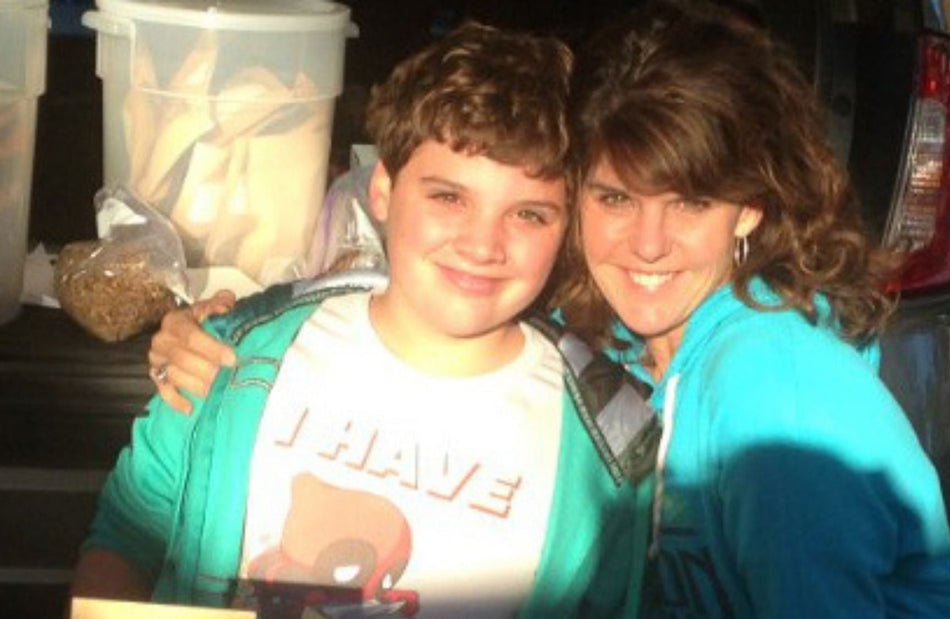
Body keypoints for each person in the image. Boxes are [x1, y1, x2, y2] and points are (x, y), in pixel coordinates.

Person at [149, 2, 950, 617]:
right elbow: (445, 281)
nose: (645, 244)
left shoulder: (770, 392)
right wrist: (220, 328)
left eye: (687, 202)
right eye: (615, 196)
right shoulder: (628, 344)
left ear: (749, 209)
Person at [72, 22, 654, 618]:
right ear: (382, 189)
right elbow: (128, 535)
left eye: (529, 214)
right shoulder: (234, 355)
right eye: (449, 198)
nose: (483, 244)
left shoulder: (608, 446)